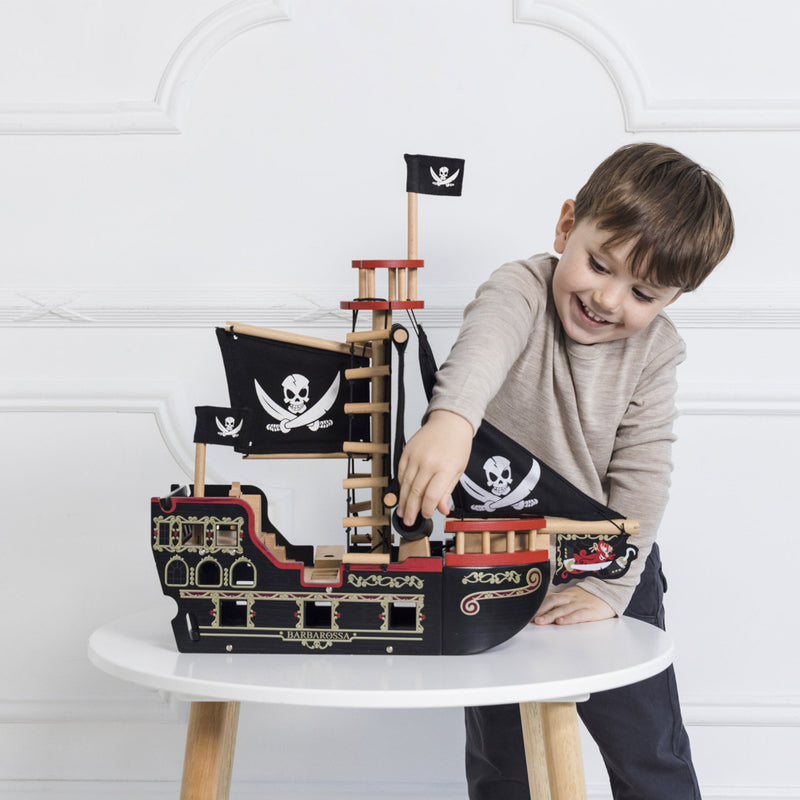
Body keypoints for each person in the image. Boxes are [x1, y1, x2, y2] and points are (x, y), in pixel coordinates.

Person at [396, 142, 734, 800]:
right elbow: (483, 348)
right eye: (598, 264)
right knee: (504, 756)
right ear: (565, 225)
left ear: (673, 296)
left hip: (611, 563)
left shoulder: (656, 352)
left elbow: (644, 476)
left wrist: (610, 590)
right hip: (496, 558)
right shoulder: (518, 286)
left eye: (642, 292)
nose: (608, 298)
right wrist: (452, 421)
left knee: (648, 749)